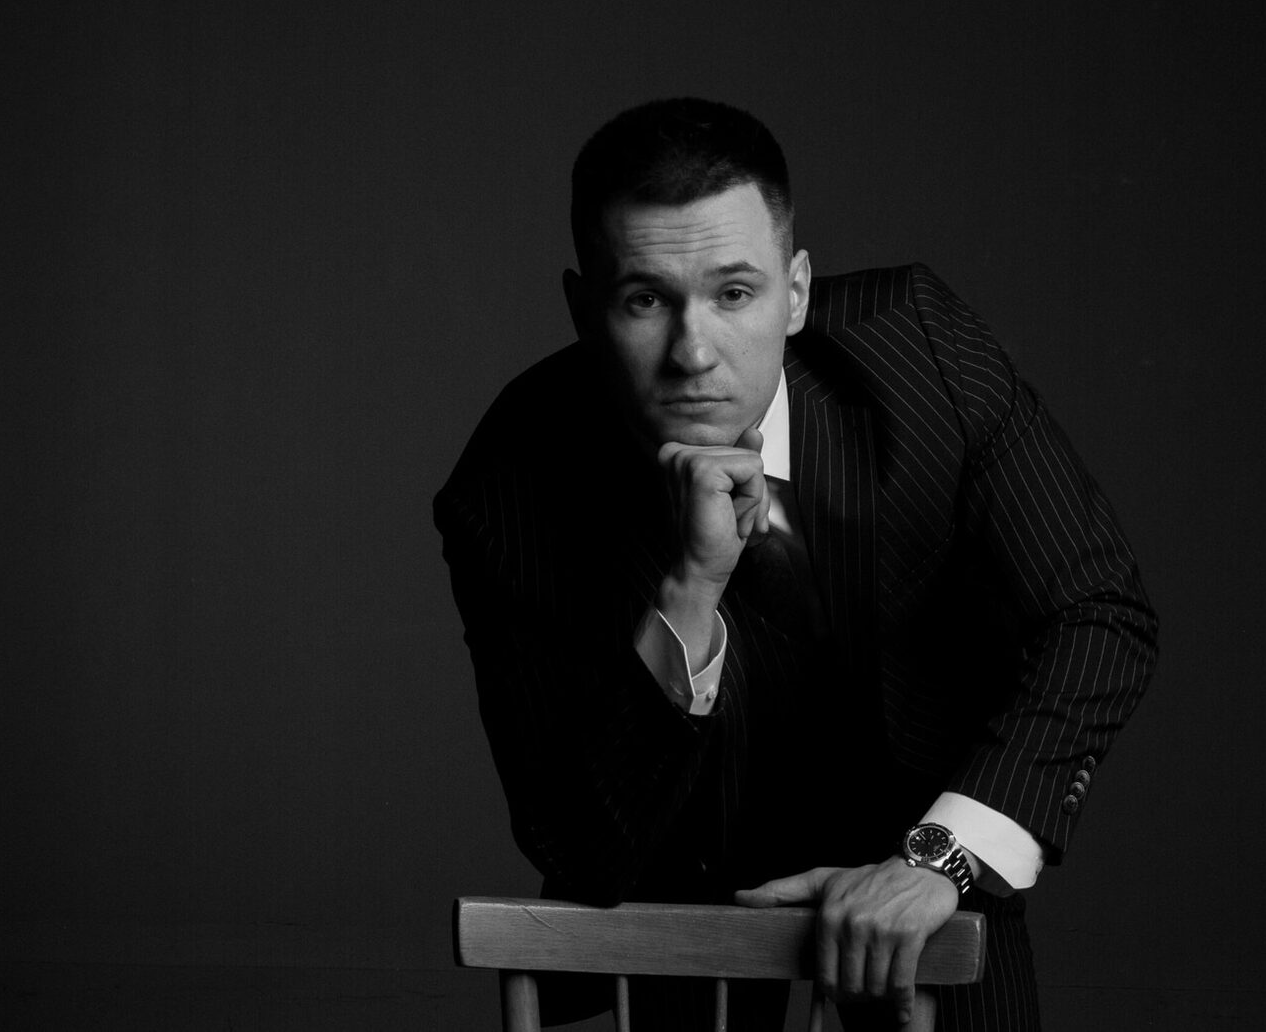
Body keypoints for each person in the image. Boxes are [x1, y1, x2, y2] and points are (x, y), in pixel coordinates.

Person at [434, 98, 1158, 1030]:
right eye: (645, 299)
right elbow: (580, 844)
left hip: (927, 912)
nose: (694, 353)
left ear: (798, 291)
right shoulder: (510, 483)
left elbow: (1099, 609)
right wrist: (690, 589)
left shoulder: (920, 353)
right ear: (583, 311)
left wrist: (940, 858)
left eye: (735, 293)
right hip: (678, 949)